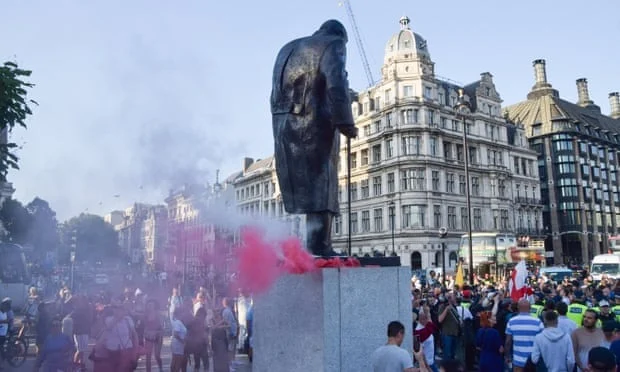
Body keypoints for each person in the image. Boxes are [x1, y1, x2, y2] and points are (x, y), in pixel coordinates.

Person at [270, 19, 358, 256]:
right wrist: (346, 123)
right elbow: (335, 85)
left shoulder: (287, 48)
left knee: (307, 189)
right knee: (324, 184)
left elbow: (278, 91)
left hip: (285, 126)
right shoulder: (334, 44)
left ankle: (312, 245)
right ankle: (320, 245)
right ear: (340, 36)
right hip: (315, 124)